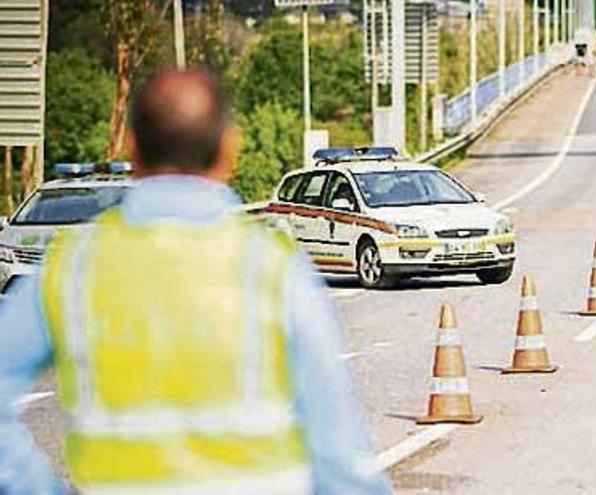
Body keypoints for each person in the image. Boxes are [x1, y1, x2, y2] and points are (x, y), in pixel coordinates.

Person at [0, 69, 390, 494]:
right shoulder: (272, 269)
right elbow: (340, 459)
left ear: (131, 147)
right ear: (229, 148)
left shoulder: (73, 269)